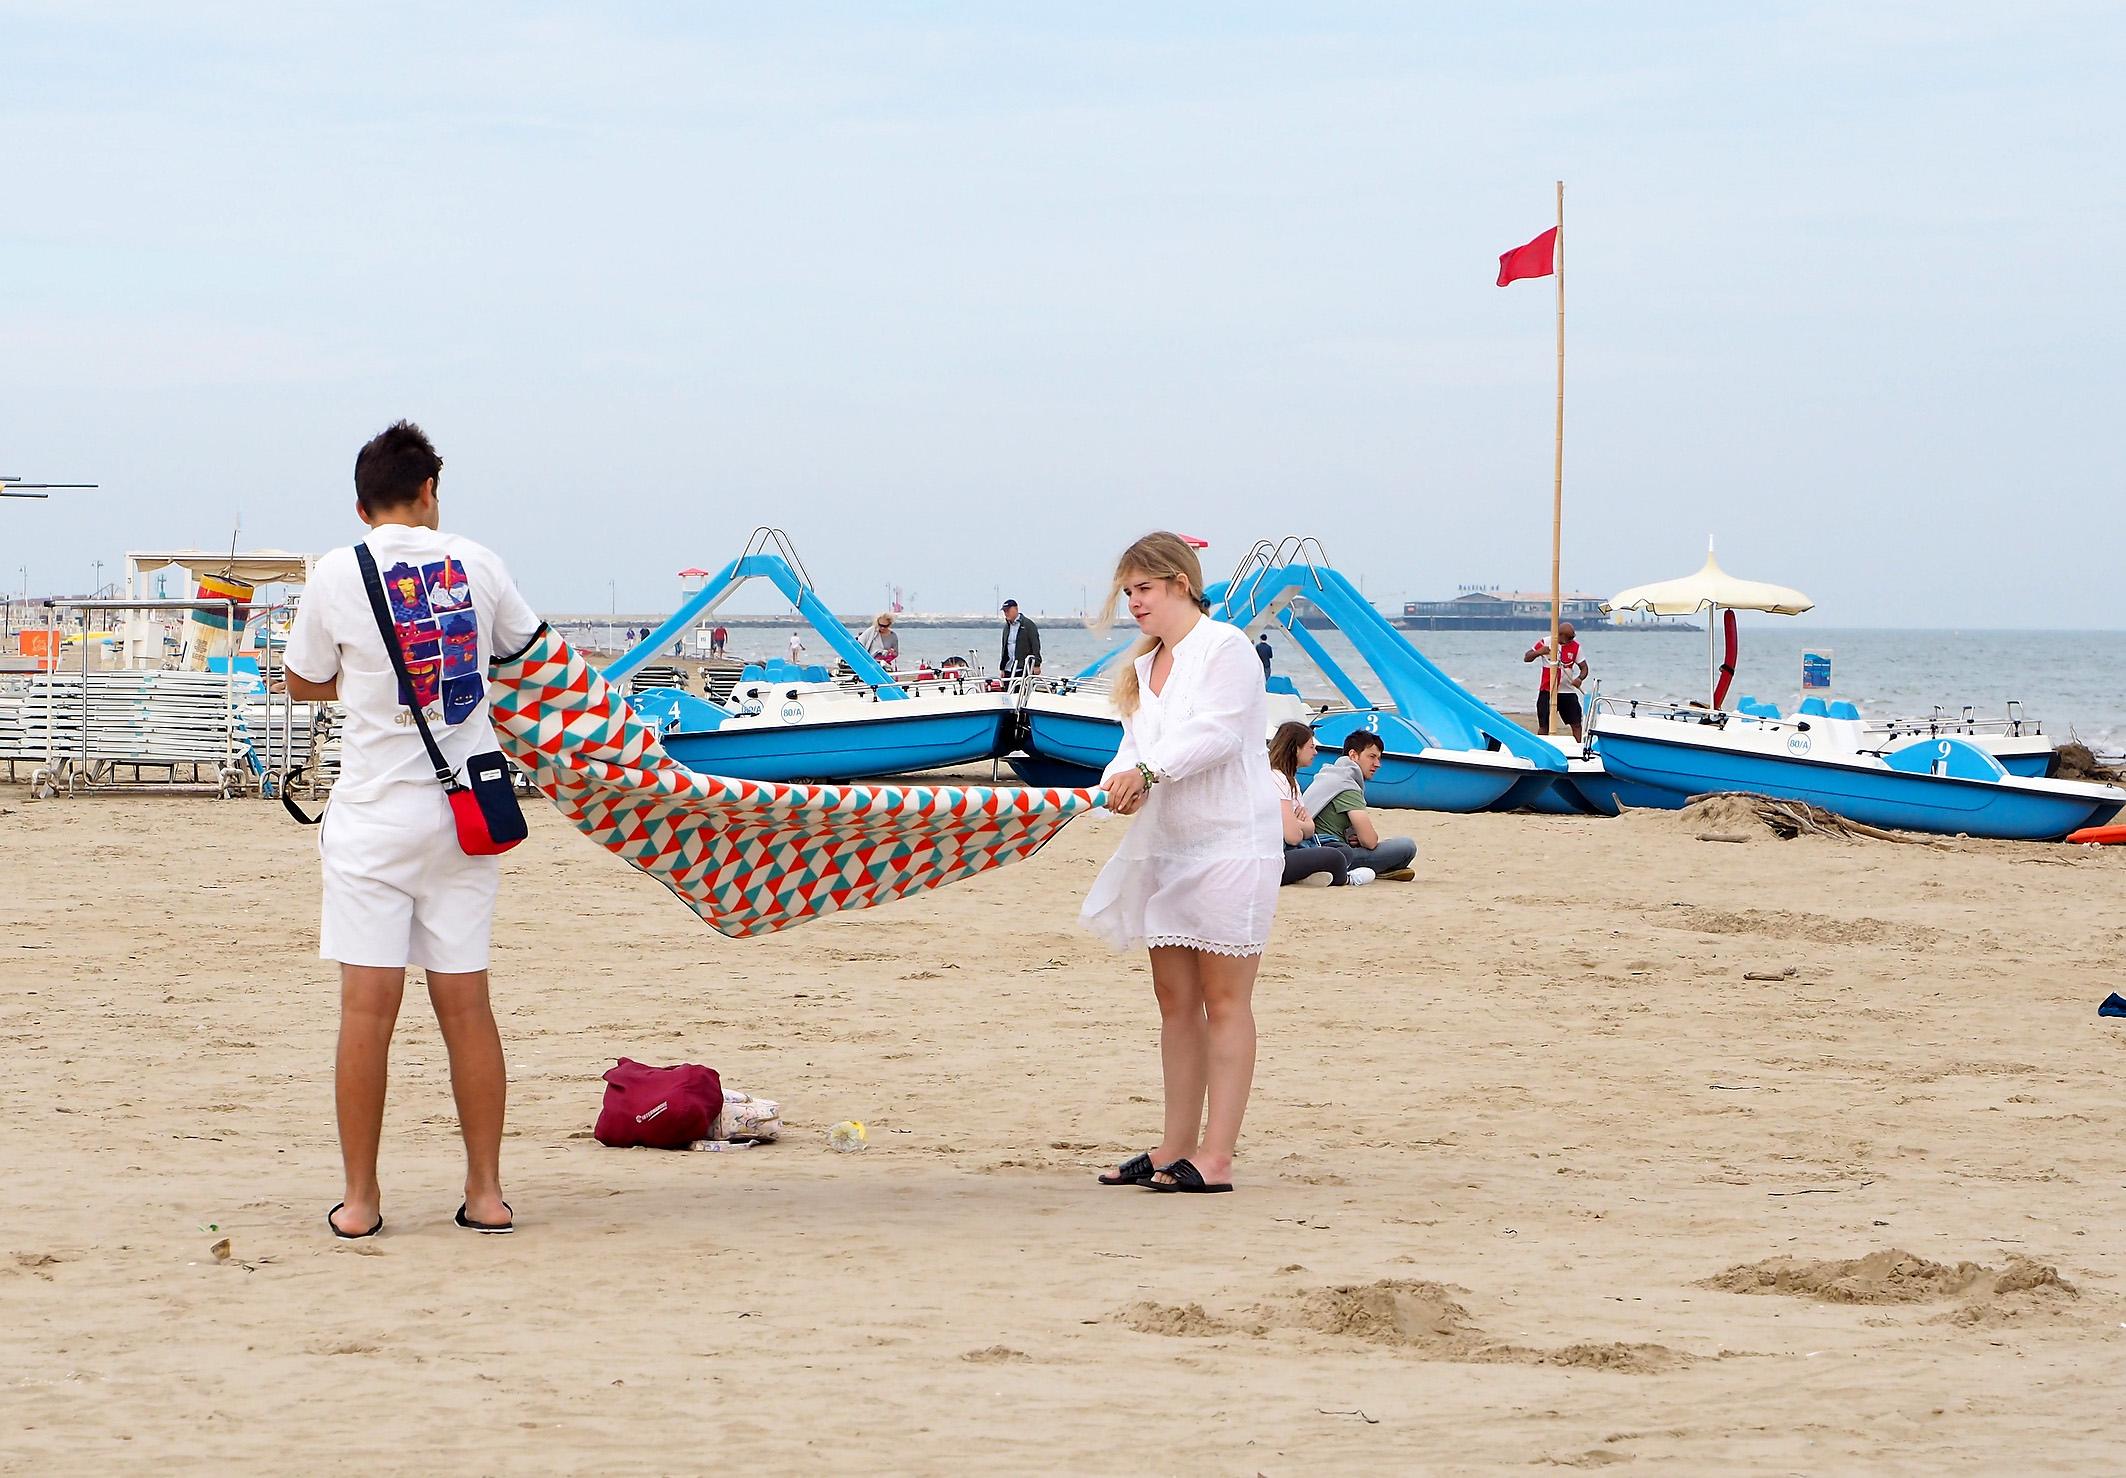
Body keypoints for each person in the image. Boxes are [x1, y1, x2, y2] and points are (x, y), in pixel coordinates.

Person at [282, 420, 540, 1240]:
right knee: (467, 1007)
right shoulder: (478, 562)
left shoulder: (334, 572)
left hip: (373, 815)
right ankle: (487, 1193)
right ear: (430, 490)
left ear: (361, 507)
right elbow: (527, 656)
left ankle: (361, 1201)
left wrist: (371, 685)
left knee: (367, 1010)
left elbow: (302, 679)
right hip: (466, 813)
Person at [1081, 532, 1281, 1195]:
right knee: (1174, 1001)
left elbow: (1219, 734)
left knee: (1225, 1001)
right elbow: (1132, 747)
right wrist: (1108, 790)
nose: (1134, 601)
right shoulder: (1143, 670)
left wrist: (1147, 770)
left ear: (1180, 583)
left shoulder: (1226, 649)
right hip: (1167, 848)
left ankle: (1215, 1157)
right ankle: (1174, 1145)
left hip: (1232, 844)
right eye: (1127, 591)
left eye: (1144, 588)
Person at [1267, 721, 1373, 887]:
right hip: (1275, 856)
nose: (1316, 752)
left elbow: (1310, 828)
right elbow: (1293, 837)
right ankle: (1346, 879)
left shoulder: (1291, 781)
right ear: (1296, 749)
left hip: (1291, 848)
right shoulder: (1277, 779)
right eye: (1311, 747)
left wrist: (1299, 824)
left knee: (1342, 850)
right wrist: (1300, 825)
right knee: (1335, 857)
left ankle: (1308, 875)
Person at [1300, 731, 1418, 879]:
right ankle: (1378, 869)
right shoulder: (1347, 785)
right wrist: (1363, 839)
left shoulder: (1328, 776)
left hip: (1308, 849)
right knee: (1406, 847)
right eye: (1372, 757)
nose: (1377, 764)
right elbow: (1369, 841)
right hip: (1333, 854)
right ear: (1353, 755)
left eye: (1379, 759)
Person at [1524, 621, 1589, 742]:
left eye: (1572, 637)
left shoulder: (1575, 647)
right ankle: (1542, 747)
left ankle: (1579, 747)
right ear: (1560, 634)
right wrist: (1539, 652)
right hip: (1547, 691)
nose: (1571, 640)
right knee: (1544, 725)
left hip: (1567, 692)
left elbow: (1584, 667)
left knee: (1576, 723)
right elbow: (1527, 657)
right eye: (1569, 638)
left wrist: (1580, 678)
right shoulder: (1546, 641)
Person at [999, 598, 1042, 677]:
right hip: (1008, 668)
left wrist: (1037, 664)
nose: (1006, 613)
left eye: (1008, 610)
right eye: (1005, 611)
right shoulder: (1006, 627)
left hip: (1023, 668)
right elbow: (1004, 647)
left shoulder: (1028, 624)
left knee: (1022, 688)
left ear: (1016, 609)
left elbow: (1035, 645)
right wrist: (1002, 667)